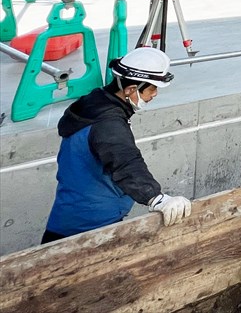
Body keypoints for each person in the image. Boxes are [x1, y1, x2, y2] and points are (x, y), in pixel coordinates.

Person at [41, 47, 192, 243]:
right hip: (89, 226)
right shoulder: (108, 124)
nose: (154, 94)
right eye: (152, 88)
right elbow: (126, 163)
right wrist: (156, 198)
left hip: (74, 212)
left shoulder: (94, 103)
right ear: (131, 89)